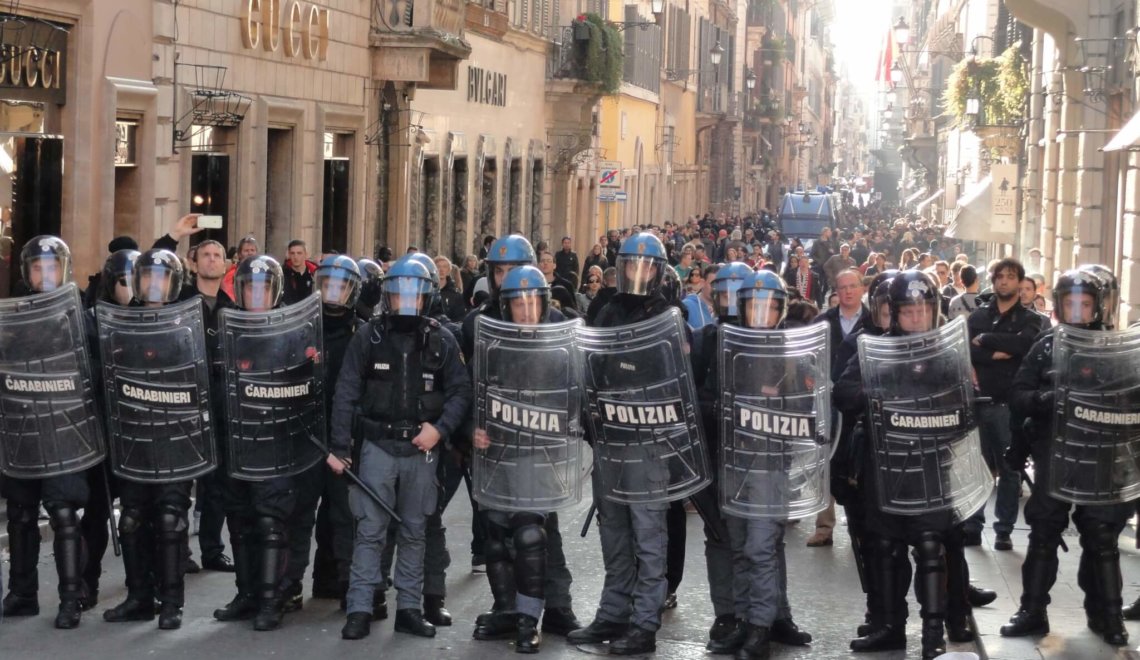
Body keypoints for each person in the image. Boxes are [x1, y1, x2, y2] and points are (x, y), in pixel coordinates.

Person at [834, 271, 980, 659]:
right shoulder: (871, 348)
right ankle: (888, 627)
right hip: (884, 468)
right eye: (908, 311)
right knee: (884, 548)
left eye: (923, 310)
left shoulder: (948, 356)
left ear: (933, 312)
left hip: (932, 468)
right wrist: (877, 386)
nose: (916, 319)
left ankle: (933, 632)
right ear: (894, 313)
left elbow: (967, 408)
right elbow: (843, 394)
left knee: (932, 548)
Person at [329, 255, 472, 641]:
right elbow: (346, 392)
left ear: (426, 297)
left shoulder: (441, 338)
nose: (406, 299)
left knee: (414, 531)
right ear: (388, 296)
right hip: (377, 445)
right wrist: (340, 445)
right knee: (370, 530)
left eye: (414, 292)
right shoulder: (368, 337)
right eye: (399, 292)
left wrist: (440, 430)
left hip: (422, 449)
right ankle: (359, 607)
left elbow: (460, 392)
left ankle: (408, 608)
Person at [1000, 269, 1133, 647]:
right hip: (1054, 455)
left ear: (1100, 306)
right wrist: (1044, 400)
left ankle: (1107, 615)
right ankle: (1032, 611)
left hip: (1102, 460)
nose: (1077, 310)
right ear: (1059, 305)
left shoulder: (1117, 350)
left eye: (1085, 303)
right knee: (1043, 531)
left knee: (1102, 535)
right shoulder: (1045, 346)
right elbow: (1018, 395)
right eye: (1070, 303)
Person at [459, 236, 581, 642]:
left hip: (540, 449)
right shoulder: (478, 324)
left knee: (538, 533)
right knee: (497, 535)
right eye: (498, 271)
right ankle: (507, 609)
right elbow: (468, 388)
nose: (506, 279)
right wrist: (468, 431)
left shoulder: (558, 326)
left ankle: (555, 608)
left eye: (513, 270)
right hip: (495, 450)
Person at [567, 232, 682, 655]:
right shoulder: (607, 310)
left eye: (647, 266)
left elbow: (675, 383)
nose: (639, 273)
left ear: (658, 272)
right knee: (613, 533)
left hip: (648, 442)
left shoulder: (669, 315)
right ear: (622, 267)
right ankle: (613, 613)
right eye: (633, 265)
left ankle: (644, 623)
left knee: (648, 536)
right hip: (609, 441)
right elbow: (589, 367)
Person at [100, 249, 198, 630]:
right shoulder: (120, 325)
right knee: (133, 521)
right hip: (135, 439)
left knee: (172, 519)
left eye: (161, 277)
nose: (153, 285)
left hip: (175, 438)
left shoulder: (189, 322)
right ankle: (140, 597)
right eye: (146, 278)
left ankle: (172, 602)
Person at [0, 236, 94, 629]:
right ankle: (23, 593)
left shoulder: (80, 315)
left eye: (51, 266)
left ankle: (71, 598)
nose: (45, 273)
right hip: (22, 430)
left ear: (64, 268)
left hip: (65, 430)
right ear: (27, 272)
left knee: (64, 514)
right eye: (37, 267)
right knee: (20, 515)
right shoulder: (11, 316)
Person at [212, 255, 304, 632]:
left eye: (263, 287)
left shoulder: (291, 330)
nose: (255, 294)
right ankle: (247, 594)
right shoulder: (225, 328)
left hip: (275, 440)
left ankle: (271, 599)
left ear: (275, 290)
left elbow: (304, 389)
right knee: (239, 521)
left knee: (270, 523)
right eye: (249, 287)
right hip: (234, 439)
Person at [276, 256, 362, 614]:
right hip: (305, 435)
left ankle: (345, 585)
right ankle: (289, 586)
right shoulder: (301, 328)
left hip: (344, 439)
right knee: (299, 514)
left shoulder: (364, 331)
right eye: (327, 284)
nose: (333, 293)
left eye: (341, 286)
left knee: (343, 517)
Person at [958, 259, 1043, 552]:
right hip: (979, 403)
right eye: (1000, 277)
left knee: (1010, 469)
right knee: (977, 468)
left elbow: (1025, 346)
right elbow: (964, 350)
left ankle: (1004, 530)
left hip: (1010, 405)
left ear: (1020, 282)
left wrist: (987, 341)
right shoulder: (977, 316)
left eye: (1011, 277)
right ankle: (972, 525)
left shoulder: (1031, 319)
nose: (1005, 281)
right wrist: (997, 352)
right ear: (993, 281)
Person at [806, 269, 870, 548]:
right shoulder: (823, 321)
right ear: (836, 291)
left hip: (858, 399)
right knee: (824, 460)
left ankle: (862, 525)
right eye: (842, 287)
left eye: (853, 286)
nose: (848, 291)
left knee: (859, 461)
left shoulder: (873, 320)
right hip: (827, 399)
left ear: (861, 289)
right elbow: (807, 354)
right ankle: (824, 526)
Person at [282, 240, 317, 305]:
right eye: (292, 253)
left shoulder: (314, 274)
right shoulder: (283, 274)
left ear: (306, 255)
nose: (295, 257)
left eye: (299, 253)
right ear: (289, 255)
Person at [434, 256, 467, 323]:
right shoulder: (427, 292)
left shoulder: (455, 294)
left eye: (444, 267)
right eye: (438, 266)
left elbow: (459, 318)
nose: (441, 270)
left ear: (449, 270)